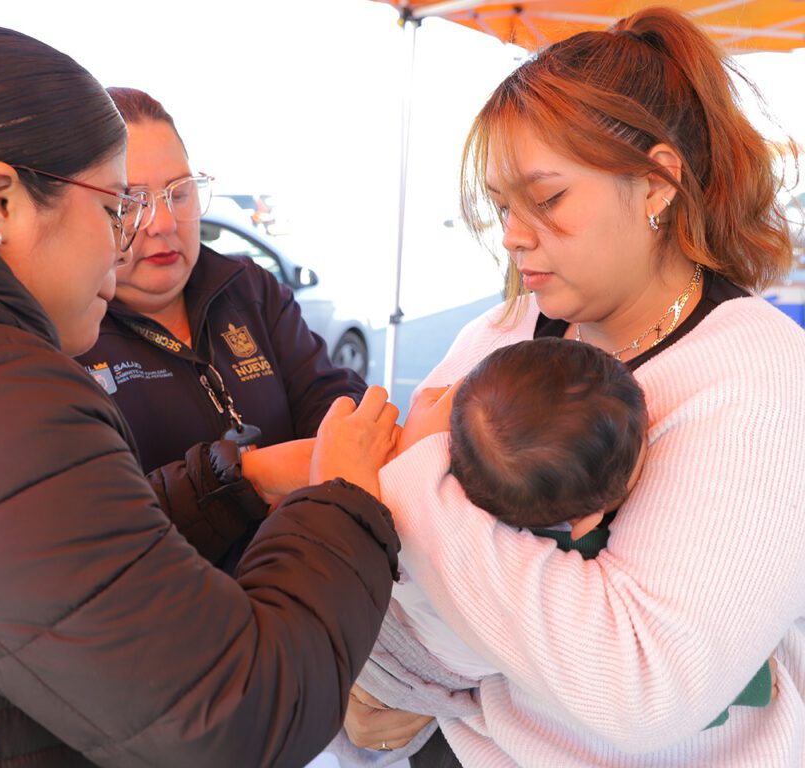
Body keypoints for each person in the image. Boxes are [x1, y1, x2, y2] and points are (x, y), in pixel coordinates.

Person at [0, 27, 403, 768]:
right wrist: (343, 500)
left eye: (177, 193)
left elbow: (60, 557)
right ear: (0, 202)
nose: (131, 240)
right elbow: (236, 713)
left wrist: (239, 482)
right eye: (116, 208)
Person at [342, 6, 805, 767]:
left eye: (547, 199)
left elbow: (640, 690)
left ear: (656, 182)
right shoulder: (505, 332)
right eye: (501, 207)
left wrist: (419, 475)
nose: (513, 235)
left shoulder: (754, 376)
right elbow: (380, 605)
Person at [76, 88, 366, 569]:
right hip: (180, 613)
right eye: (132, 201)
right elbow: (96, 531)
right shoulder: (71, 332)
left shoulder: (249, 289)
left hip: (306, 578)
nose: (163, 223)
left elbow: (331, 400)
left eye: (179, 192)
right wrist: (254, 478)